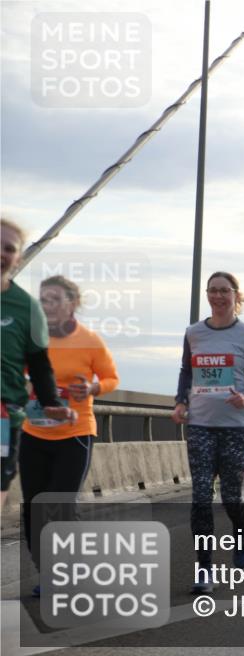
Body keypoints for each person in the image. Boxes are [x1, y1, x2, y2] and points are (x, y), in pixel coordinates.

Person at [172, 271, 244, 593]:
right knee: (200, 498)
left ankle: (241, 532)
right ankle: (204, 570)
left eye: (224, 291)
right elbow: (187, 371)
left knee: (230, 496)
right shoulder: (193, 333)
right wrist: (180, 402)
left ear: (235, 295)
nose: (217, 296)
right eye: (212, 291)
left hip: (236, 427)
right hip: (200, 424)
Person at [20, 275, 119, 569]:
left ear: (72, 303)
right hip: (33, 432)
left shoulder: (90, 341)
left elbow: (112, 378)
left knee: (61, 504)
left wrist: (92, 388)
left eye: (54, 299)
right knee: (33, 507)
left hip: (76, 433)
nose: (47, 305)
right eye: (43, 299)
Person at [2, 218, 77, 512]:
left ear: (17, 257)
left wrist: (50, 402)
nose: (2, 252)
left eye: (9, 248)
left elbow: (39, 363)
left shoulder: (26, 307)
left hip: (4, 416)